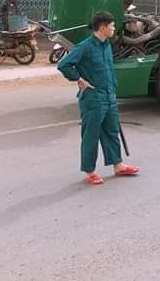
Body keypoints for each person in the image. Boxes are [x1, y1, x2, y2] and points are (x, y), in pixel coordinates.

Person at [58, 11, 140, 185]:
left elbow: (108, 70)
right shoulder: (85, 46)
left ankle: (118, 165)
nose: (114, 29)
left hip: (109, 96)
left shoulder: (106, 46)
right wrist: (79, 79)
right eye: (111, 26)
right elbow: (64, 64)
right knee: (91, 135)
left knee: (112, 131)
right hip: (93, 99)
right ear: (103, 28)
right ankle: (89, 171)